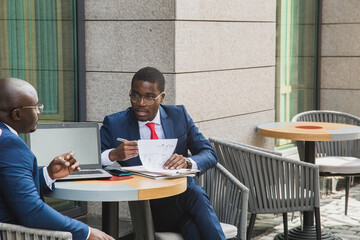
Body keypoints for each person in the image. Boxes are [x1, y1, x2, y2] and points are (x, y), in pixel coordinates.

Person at [100, 67, 226, 239]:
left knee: (192, 225)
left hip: (181, 199)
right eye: (135, 95)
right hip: (148, 207)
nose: (141, 103)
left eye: (150, 97)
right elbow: (91, 160)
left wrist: (187, 162)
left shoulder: (178, 116)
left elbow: (209, 153)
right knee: (195, 195)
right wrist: (113, 155)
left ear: (162, 97)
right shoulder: (115, 123)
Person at [0, 77, 114, 240]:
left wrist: (48, 173)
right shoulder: (11, 145)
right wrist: (87, 232)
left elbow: (12, 190)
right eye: (36, 107)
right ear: (17, 114)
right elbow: (32, 211)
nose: (39, 112)